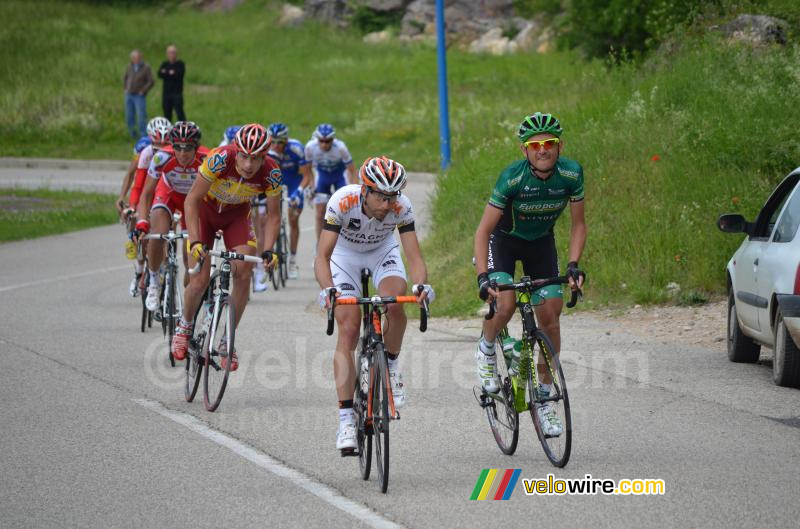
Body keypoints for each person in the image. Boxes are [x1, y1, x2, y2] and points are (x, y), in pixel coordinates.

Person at [473, 112, 586, 437]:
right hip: (504, 242)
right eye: (534, 145)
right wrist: (484, 276)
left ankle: (544, 397)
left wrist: (574, 264)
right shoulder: (512, 177)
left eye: (549, 143)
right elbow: (483, 231)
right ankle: (486, 346)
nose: (542, 150)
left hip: (541, 244)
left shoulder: (571, 174)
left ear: (559, 146)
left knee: (551, 317)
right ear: (525, 150)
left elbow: (579, 225)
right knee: (505, 305)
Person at [315, 156, 434, 450]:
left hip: (382, 252)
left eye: (393, 196)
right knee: (350, 330)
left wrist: (421, 285)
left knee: (395, 303)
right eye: (381, 196)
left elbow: (414, 256)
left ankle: (390, 365)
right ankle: (345, 419)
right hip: (345, 257)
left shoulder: (401, 207)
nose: (388, 204)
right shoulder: (341, 202)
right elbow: (322, 256)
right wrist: (328, 289)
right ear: (364, 191)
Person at [171, 124, 283, 371]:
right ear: (236, 150)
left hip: (236, 216)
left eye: (255, 158)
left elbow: (274, 216)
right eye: (243, 156)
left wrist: (270, 249)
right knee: (198, 281)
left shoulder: (271, 173)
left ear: (265, 156)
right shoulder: (220, 158)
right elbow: (191, 200)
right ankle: (185, 325)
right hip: (205, 214)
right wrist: (196, 241)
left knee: (244, 272)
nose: (248, 164)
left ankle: (226, 340)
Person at [133, 122, 208, 312]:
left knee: (189, 256)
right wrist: (142, 222)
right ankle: (154, 281)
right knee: (158, 235)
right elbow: (147, 194)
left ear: (196, 147)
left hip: (193, 202)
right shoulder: (161, 157)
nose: (183, 153)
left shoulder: (207, 159)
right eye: (178, 147)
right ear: (172, 146)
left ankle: (189, 297)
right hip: (168, 196)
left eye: (188, 147)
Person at [118, 117, 172, 297]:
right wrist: (131, 206)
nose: (160, 150)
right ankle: (139, 270)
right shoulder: (145, 151)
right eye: (157, 145)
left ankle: (166, 265)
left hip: (165, 194)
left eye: (165, 144)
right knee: (137, 224)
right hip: (147, 193)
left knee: (169, 230)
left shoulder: (173, 153)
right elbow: (138, 184)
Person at [264, 122, 312, 280]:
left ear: (286, 141)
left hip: (293, 182)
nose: (276, 145)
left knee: (293, 219)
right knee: (266, 216)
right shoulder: (266, 149)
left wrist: (299, 192)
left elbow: (307, 176)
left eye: (280, 142)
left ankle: (292, 260)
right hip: (274, 180)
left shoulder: (296, 148)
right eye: (274, 141)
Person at [304, 123, 357, 242]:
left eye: (327, 141)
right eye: (321, 141)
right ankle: (320, 243)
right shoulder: (310, 147)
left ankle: (349, 239)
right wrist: (312, 186)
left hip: (339, 176)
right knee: (320, 212)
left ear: (332, 139)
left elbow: (352, 170)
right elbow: (308, 170)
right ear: (317, 139)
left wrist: (354, 189)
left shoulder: (340, 148)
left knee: (346, 209)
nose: (324, 144)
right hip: (322, 176)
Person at [123, 49, 155, 139]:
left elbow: (151, 81)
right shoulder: (129, 66)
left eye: (137, 57)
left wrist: (143, 90)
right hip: (129, 94)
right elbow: (125, 78)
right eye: (133, 57)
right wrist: (125, 88)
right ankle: (132, 134)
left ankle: (143, 135)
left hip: (139, 96)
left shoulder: (146, 67)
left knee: (141, 116)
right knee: (129, 115)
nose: (135, 59)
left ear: (141, 57)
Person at [157, 45, 186, 122]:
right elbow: (160, 74)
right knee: (167, 114)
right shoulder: (165, 64)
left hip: (177, 93)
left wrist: (166, 72)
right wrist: (170, 73)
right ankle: (168, 132)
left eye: (173, 52)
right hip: (166, 94)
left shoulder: (180, 64)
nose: (171, 54)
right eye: (169, 52)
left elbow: (179, 74)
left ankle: (184, 131)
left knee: (180, 113)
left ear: (176, 54)